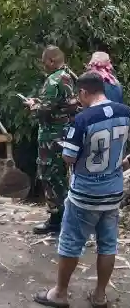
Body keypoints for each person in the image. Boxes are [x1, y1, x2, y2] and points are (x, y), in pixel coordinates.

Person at [34, 71, 130, 308]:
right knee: (108, 244)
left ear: (84, 92)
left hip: (86, 193)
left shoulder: (83, 119)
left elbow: (68, 157)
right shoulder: (125, 112)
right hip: (113, 191)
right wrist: (123, 163)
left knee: (70, 242)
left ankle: (60, 293)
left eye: (79, 95)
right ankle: (99, 295)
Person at [25, 46, 80, 235]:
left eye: (44, 62)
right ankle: (65, 217)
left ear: (51, 61)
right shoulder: (69, 76)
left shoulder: (54, 80)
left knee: (50, 175)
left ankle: (57, 219)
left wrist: (33, 105)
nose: (43, 66)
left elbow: (45, 109)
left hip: (51, 135)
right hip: (65, 133)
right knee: (61, 176)